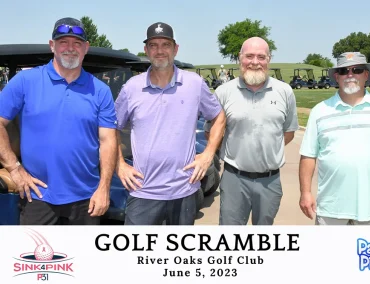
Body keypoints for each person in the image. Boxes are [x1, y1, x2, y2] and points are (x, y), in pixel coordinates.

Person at [0, 17, 118, 225]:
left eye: (77, 43)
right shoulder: (26, 82)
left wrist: (104, 188)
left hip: (87, 198)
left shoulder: (100, 90)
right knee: (37, 257)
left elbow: (108, 141)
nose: (70, 48)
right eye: (63, 42)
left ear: (86, 48)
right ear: (52, 45)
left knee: (85, 257)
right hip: (36, 196)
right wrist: (14, 168)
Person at [114, 22, 226, 225]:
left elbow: (218, 117)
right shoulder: (131, 88)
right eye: (154, 45)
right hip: (143, 193)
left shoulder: (194, 84)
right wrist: (119, 164)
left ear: (175, 49)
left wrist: (208, 154)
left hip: (184, 192)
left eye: (166, 44)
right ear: (146, 50)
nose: (160, 51)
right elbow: (111, 127)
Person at [204, 37, 299, 225]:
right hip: (234, 179)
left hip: (270, 181)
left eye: (261, 57)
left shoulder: (284, 91)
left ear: (268, 59)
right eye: (249, 56)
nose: (255, 62)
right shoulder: (223, 92)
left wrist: (267, 149)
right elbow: (211, 133)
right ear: (240, 58)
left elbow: (288, 132)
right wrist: (236, 149)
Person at [299, 52, 370, 225]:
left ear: (366, 75)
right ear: (337, 76)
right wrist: (305, 192)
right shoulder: (320, 111)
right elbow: (308, 155)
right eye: (344, 71)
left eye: (357, 70)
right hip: (331, 208)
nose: (350, 74)